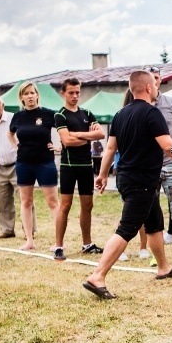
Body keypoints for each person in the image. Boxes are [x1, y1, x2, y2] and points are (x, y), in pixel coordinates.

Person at [83, 71, 172, 300]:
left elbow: (110, 149)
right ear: (149, 88)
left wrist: (101, 175)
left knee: (154, 221)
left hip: (126, 177)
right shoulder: (152, 113)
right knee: (127, 228)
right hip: (142, 181)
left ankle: (163, 267)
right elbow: (168, 145)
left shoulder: (120, 114)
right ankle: (97, 276)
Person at [53, 78, 106, 260]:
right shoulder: (60, 115)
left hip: (86, 166)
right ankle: (58, 246)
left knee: (87, 206)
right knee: (65, 205)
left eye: (77, 92)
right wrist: (88, 137)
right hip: (69, 166)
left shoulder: (87, 113)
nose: (75, 96)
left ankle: (87, 244)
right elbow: (66, 141)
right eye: (71, 93)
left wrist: (78, 134)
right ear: (64, 93)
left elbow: (101, 134)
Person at [9, 81, 60, 251]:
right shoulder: (17, 117)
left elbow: (64, 130)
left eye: (32, 93)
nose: (30, 96)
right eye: (26, 93)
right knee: (26, 201)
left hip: (45, 163)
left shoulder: (48, 114)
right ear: (21, 97)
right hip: (24, 163)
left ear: (37, 95)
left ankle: (59, 241)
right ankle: (29, 240)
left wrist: (60, 146)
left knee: (53, 202)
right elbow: (10, 133)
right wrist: (16, 147)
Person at [0, 94, 36, 239]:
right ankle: (7, 230)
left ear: (2, 105)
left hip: (18, 164)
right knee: (2, 201)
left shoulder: (15, 117)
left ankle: (28, 230)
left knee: (26, 199)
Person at [147, 66, 172, 246]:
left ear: (160, 79)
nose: (153, 81)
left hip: (171, 163)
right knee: (148, 207)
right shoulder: (137, 105)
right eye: (150, 77)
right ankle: (146, 247)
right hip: (147, 165)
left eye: (156, 77)